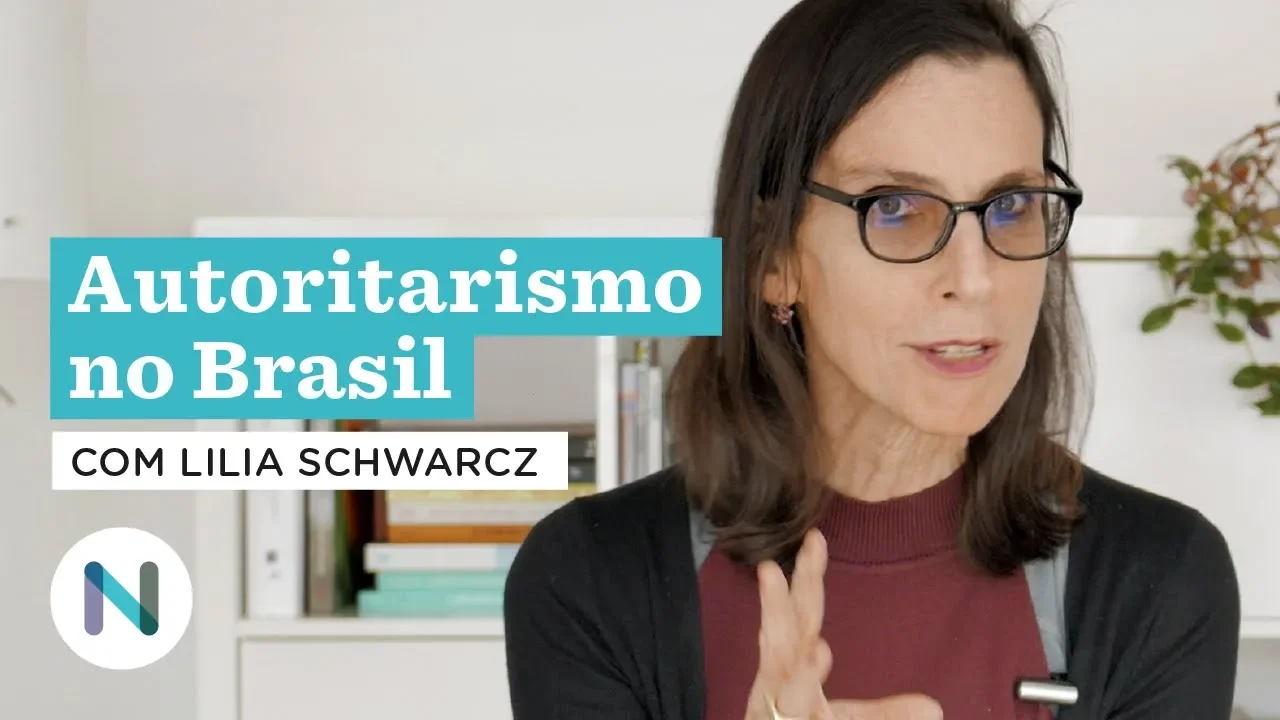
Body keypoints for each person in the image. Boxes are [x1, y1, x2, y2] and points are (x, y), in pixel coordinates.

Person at [503, 0, 1242, 718]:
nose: (975, 278)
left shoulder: (1160, 576)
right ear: (773, 258)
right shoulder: (590, 581)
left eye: (1011, 206)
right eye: (895, 208)